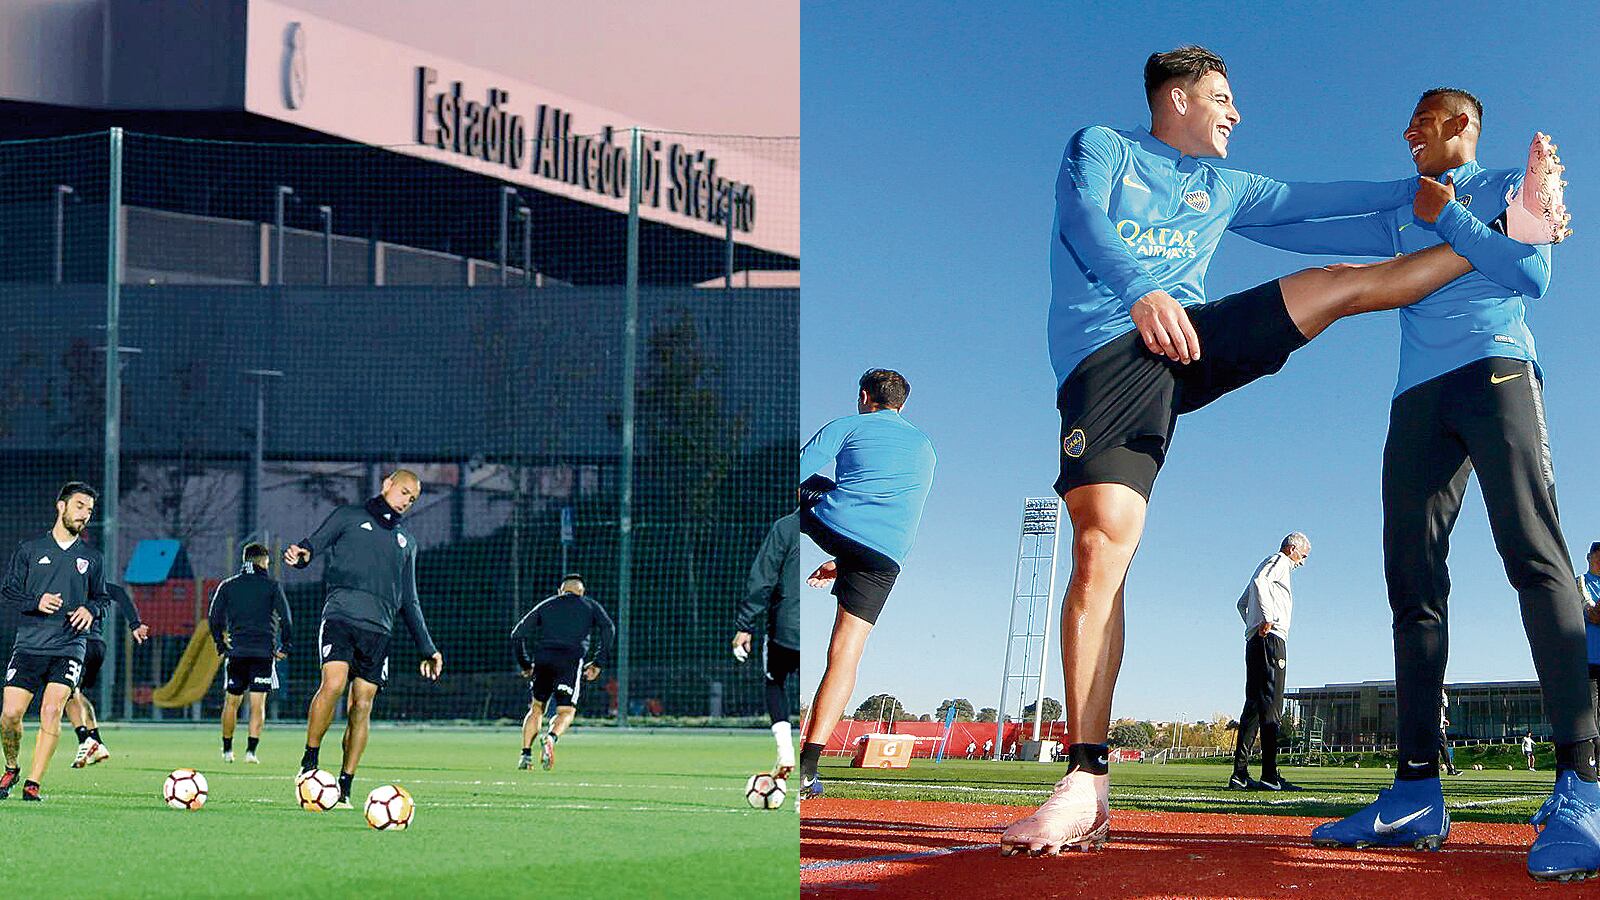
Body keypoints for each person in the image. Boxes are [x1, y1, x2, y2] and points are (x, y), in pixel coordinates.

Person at [998, 44, 1567, 858]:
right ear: (1176, 99)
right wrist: (1140, 288)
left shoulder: (1229, 185)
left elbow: (1345, 198)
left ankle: (1505, 235)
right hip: (1114, 348)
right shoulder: (1104, 147)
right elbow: (1085, 222)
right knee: (1101, 545)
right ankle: (1086, 779)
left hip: (1194, 334)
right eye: (1221, 98)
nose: (1235, 113)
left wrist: (1500, 207)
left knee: (1341, 280)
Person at [1236, 88, 1587, 877]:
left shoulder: (1506, 183)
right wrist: (1209, 208)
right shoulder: (1403, 202)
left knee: (1535, 558)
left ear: (1461, 125)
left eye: (1424, 122)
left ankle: (1582, 783)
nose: (1407, 133)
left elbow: (1532, 273)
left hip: (1497, 370)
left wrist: (1451, 214)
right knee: (1412, 587)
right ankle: (1416, 792)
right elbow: (1295, 220)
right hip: (1417, 399)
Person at [795, 368, 936, 801]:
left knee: (800, 485)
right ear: (902, 404)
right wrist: (844, 561)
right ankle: (807, 771)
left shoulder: (849, 424)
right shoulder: (926, 447)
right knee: (846, 654)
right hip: (886, 556)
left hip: (840, 525)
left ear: (864, 396)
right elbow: (890, 508)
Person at [285, 469, 442, 808]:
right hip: (340, 616)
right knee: (334, 683)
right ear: (387, 484)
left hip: (379, 631)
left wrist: (427, 647)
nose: (406, 502)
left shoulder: (407, 543)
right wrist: (300, 556)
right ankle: (309, 763)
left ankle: (345, 786)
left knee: (362, 706)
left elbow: (409, 601)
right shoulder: (348, 517)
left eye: (412, 499)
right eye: (403, 492)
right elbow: (312, 546)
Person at [0, 482, 110, 801]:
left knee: (51, 709)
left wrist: (90, 609)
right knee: (9, 716)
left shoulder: (92, 558)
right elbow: (8, 592)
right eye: (79, 506)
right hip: (29, 646)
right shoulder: (30, 550)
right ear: (60, 506)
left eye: (89, 510)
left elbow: (102, 598)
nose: (85, 515)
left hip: (69, 647)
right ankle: (11, 767)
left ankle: (33, 783)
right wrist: (37, 600)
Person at [1228, 533, 1309, 792]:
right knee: (1273, 703)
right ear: (1292, 548)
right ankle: (1269, 775)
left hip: (1256, 641)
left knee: (1253, 706)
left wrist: (1252, 625)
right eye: (1303, 555)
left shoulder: (1275, 565)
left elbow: (1242, 603)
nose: (1303, 562)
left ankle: (1240, 774)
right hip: (1271, 639)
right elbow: (1260, 581)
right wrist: (1267, 619)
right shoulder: (1279, 561)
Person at [510, 574, 614, 770]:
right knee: (566, 711)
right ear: (581, 593)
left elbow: (517, 634)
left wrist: (525, 665)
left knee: (536, 707)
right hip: (570, 661)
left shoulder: (547, 604)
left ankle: (525, 756)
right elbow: (609, 629)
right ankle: (550, 739)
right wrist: (598, 663)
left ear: (560, 591)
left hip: (543, 659)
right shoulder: (590, 606)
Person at [208, 542, 293, 764]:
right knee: (258, 704)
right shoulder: (272, 586)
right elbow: (286, 618)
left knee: (231, 702)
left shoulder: (228, 585)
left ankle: (227, 751)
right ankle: (251, 753)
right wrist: (286, 646)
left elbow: (213, 617)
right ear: (263, 561)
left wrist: (220, 643)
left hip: (237, 653)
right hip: (262, 653)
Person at [732, 511, 800, 777]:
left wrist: (744, 625)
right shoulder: (833, 523)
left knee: (775, 682)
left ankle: (785, 752)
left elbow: (762, 579)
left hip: (786, 626)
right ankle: (807, 773)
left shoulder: (785, 527)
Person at [69, 582, 148, 768]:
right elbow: (119, 592)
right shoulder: (95, 582)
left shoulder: (67, 579)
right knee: (77, 693)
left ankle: (84, 741)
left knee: (67, 693)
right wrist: (135, 624)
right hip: (97, 646)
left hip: (78, 645)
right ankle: (98, 742)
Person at [1581, 543, 1600, 727]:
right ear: (1589, 557)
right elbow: (1591, 613)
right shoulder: (1579, 582)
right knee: (1591, 714)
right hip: (1589, 658)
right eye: (1597, 556)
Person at [1439, 689, 1459, 777]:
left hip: (1437, 727)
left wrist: (1443, 720)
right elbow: (1444, 705)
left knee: (1440, 749)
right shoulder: (1439, 698)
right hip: (1438, 728)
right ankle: (1450, 768)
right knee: (1444, 748)